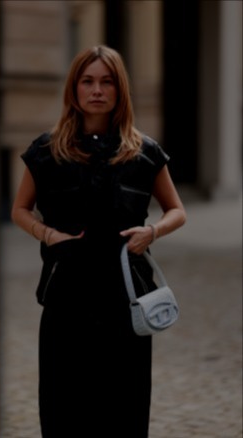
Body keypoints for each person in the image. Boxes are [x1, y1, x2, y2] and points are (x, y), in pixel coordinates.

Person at [11, 45, 186, 437]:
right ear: (73, 89)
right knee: (64, 406)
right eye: (87, 81)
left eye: (107, 82)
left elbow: (177, 210)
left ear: (119, 90)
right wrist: (48, 234)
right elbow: (20, 210)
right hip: (65, 295)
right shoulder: (46, 151)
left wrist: (152, 231)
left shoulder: (143, 153)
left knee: (123, 407)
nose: (97, 90)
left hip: (125, 298)